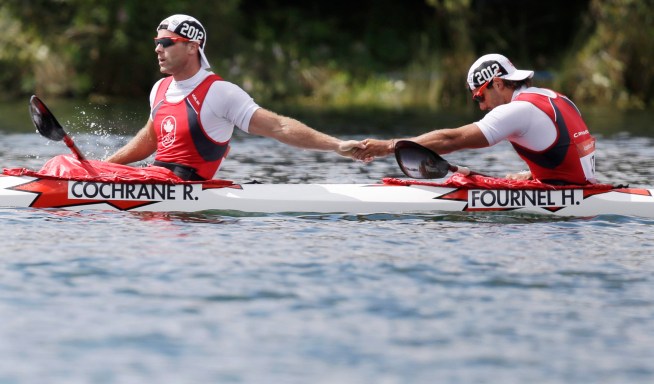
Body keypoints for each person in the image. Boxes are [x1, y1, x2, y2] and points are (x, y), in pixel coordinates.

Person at [105, 14, 363, 181]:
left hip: (187, 191)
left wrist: (336, 145)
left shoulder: (221, 92)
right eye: (157, 42)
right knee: (69, 164)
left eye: (167, 42)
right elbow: (149, 140)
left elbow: (279, 126)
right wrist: (102, 167)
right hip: (155, 180)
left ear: (192, 47)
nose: (157, 48)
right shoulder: (159, 88)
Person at [354, 53, 597, 185]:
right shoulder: (557, 97)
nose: (482, 106)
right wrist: (536, 174)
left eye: (480, 96)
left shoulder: (518, 110)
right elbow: (566, 150)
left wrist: (388, 146)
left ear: (498, 83)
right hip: (582, 187)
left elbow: (452, 139)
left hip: (569, 196)